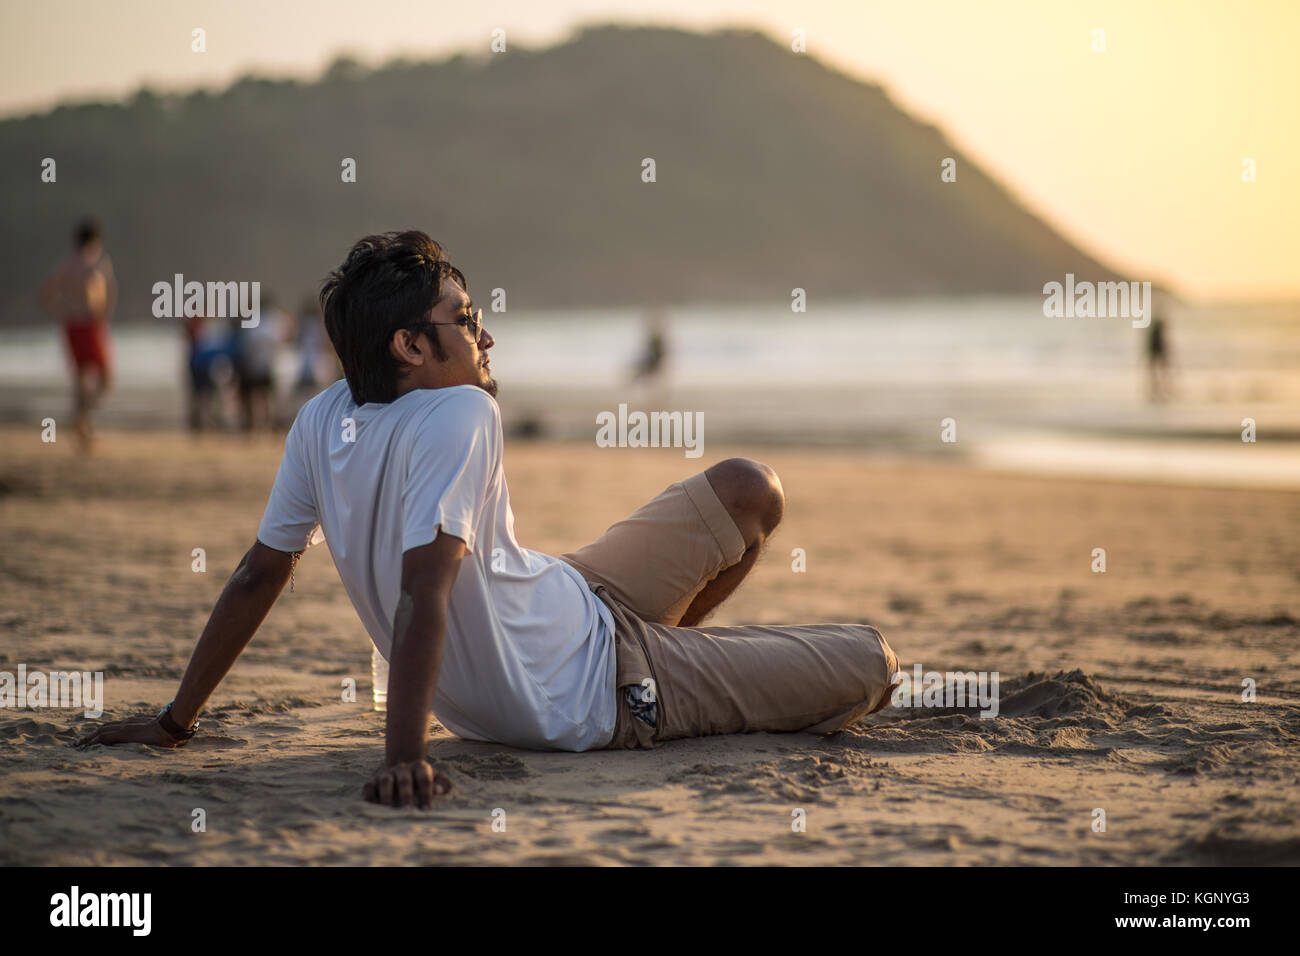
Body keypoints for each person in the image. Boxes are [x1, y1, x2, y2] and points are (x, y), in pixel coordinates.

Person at [77, 231, 899, 809]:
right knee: (873, 660)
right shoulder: (462, 410)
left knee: (751, 490)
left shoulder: (323, 418)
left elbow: (261, 572)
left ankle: (675, 650)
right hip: (591, 688)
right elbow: (422, 590)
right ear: (409, 345)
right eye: (466, 320)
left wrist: (174, 721)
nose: (484, 333)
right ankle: (670, 673)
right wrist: (404, 760)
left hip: (569, 597)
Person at [39, 218, 118, 450]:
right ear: (95, 241)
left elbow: (46, 292)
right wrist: (99, 312)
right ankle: (82, 418)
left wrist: (60, 311)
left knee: (81, 376)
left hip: (71, 325)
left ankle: (82, 424)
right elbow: (95, 291)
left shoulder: (67, 263)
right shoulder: (93, 263)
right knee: (105, 377)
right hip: (89, 325)